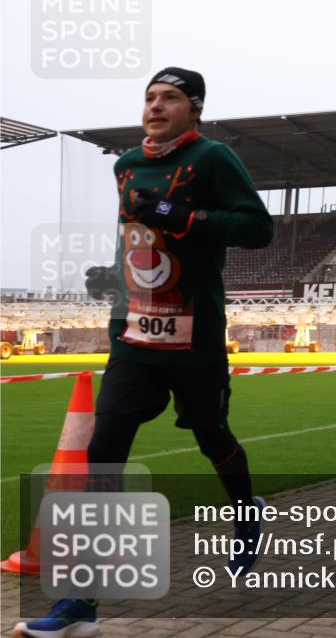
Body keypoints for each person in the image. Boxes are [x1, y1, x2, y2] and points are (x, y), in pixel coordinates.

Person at [17, 67, 274, 638]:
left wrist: (178, 216)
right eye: (150, 97)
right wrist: (116, 275)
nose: (155, 106)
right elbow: (136, 238)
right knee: (103, 454)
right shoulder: (126, 165)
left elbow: (259, 228)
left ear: (195, 108)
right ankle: (81, 599)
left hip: (196, 335)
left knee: (212, 435)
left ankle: (247, 517)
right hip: (132, 334)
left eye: (171, 98)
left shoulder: (213, 159)